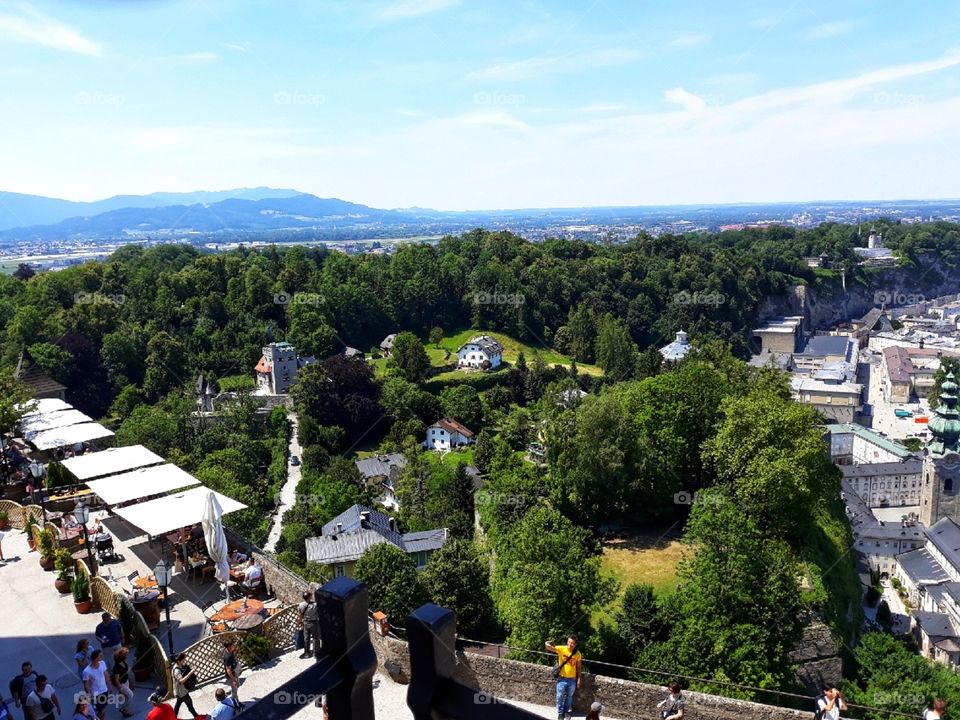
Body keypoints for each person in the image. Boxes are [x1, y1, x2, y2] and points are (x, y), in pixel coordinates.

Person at [545, 634, 581, 720]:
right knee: (559, 696)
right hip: (562, 678)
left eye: (572, 643)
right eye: (568, 642)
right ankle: (560, 713)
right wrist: (548, 642)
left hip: (572, 679)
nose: (569, 644)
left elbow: (579, 667)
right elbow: (548, 647)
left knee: (569, 696)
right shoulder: (561, 648)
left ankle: (566, 711)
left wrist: (579, 679)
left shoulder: (577, 654)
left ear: (575, 644)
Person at [81, 651, 112, 720]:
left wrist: (109, 685)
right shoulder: (87, 671)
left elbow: (106, 675)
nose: (102, 657)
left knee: (103, 708)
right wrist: (89, 695)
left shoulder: (102, 663)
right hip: (95, 693)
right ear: (95, 658)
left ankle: (97, 717)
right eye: (100, 656)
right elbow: (86, 685)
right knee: (101, 710)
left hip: (104, 690)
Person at [170, 655, 198, 720]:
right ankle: (196, 716)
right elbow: (181, 681)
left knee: (178, 703)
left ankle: (173, 717)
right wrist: (191, 672)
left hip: (178, 691)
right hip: (181, 691)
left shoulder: (178, 665)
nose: (184, 661)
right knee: (189, 703)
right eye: (183, 660)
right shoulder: (177, 671)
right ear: (178, 661)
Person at [111, 647, 134, 719]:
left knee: (126, 697)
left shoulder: (123, 662)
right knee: (130, 695)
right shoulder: (117, 666)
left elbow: (125, 671)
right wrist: (120, 689)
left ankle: (125, 711)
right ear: (122, 656)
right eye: (125, 655)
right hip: (121, 683)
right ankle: (122, 708)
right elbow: (116, 680)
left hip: (125, 681)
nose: (127, 656)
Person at [298, 590, 320, 658]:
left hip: (305, 623)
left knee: (306, 638)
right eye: (311, 596)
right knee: (315, 638)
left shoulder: (301, 605)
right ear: (309, 597)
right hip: (313, 623)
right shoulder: (314, 605)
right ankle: (315, 653)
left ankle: (307, 653)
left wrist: (300, 623)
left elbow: (300, 615)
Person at [222, 640, 242, 710]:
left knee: (237, 685)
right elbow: (228, 670)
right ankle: (236, 702)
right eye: (233, 645)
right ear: (229, 647)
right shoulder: (228, 657)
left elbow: (235, 649)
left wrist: (237, 644)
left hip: (234, 673)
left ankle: (232, 694)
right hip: (232, 676)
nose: (234, 646)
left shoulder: (228, 650)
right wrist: (233, 680)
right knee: (235, 689)